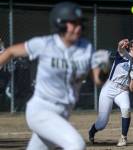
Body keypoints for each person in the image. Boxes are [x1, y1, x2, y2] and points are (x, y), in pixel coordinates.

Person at [0, 2, 108, 150]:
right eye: (73, 23)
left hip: (63, 113)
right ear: (60, 23)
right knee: (76, 144)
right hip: (41, 110)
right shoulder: (45, 44)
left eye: (80, 23)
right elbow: (11, 51)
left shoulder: (86, 48)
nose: (78, 27)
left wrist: (105, 68)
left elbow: (98, 80)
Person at [89, 38, 133, 147]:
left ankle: (123, 138)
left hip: (123, 90)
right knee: (102, 123)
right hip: (109, 88)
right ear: (130, 46)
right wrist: (121, 43)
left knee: (126, 109)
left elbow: (132, 89)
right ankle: (92, 131)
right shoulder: (123, 54)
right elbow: (120, 47)